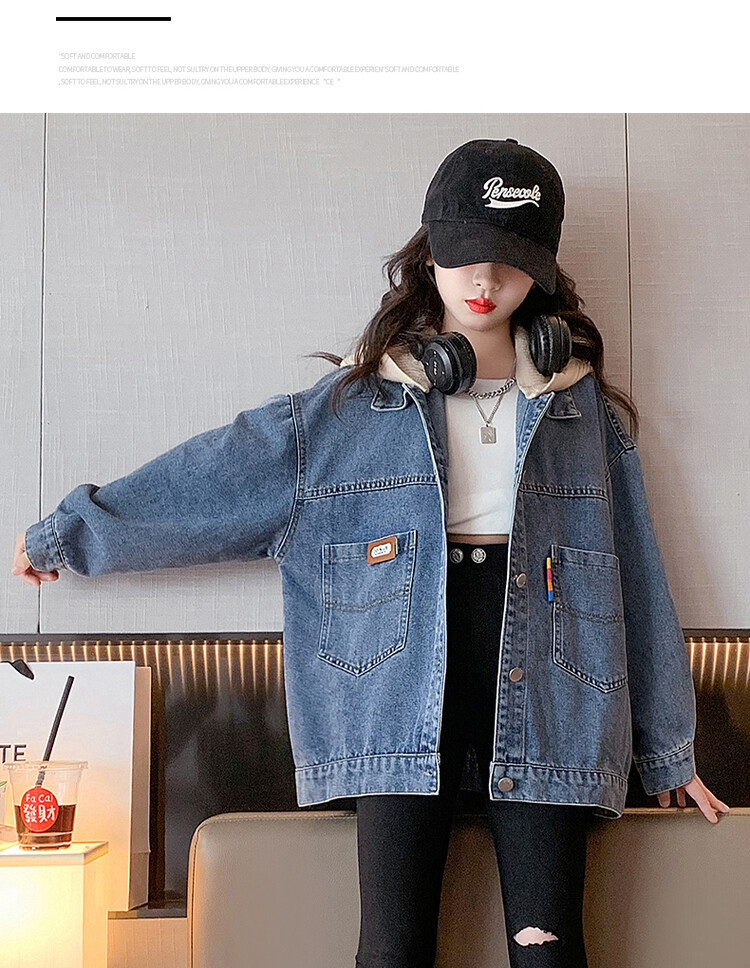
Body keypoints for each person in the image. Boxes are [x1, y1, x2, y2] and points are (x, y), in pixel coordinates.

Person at [12, 138, 729, 967]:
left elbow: (634, 574)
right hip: (392, 693)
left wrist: (669, 746)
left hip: (557, 693)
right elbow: (213, 480)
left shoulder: (583, 415)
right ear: (428, 254)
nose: (485, 281)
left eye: (510, 262)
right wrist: (70, 534)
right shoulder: (347, 414)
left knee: (550, 950)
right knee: (390, 949)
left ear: (543, 274)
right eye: (465, 256)